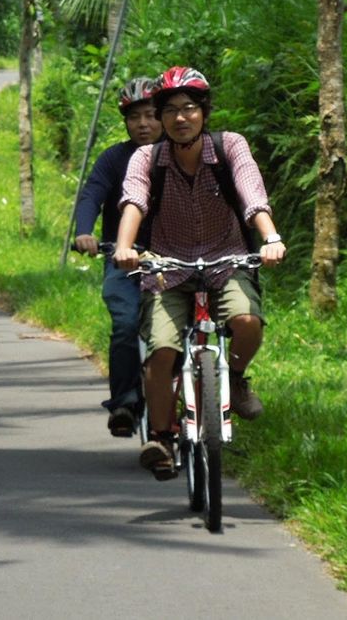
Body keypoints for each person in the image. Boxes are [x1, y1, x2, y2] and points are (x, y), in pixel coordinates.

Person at [113, 66, 286, 480]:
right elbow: (133, 201)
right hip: (168, 267)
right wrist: (124, 248)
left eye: (189, 108)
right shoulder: (147, 158)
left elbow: (252, 194)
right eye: (169, 110)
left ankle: (238, 378)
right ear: (161, 117)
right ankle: (161, 437)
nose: (180, 118)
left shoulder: (230, 148)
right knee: (162, 351)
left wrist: (270, 238)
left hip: (227, 259)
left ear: (204, 111)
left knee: (246, 320)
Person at [73, 77, 162, 437]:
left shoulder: (183, 155)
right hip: (123, 260)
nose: (144, 124)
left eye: (152, 115)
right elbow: (92, 194)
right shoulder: (114, 158)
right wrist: (85, 232)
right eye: (135, 117)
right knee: (126, 325)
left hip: (176, 262)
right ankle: (124, 401)